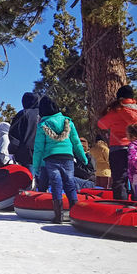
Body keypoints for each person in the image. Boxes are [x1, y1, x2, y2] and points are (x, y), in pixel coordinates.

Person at [31, 96, 89, 224]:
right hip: (67, 157)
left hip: (51, 158)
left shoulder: (43, 126)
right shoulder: (68, 122)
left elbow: (39, 148)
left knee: (56, 184)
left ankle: (58, 216)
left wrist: (36, 166)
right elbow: (76, 142)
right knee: (70, 184)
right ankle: (76, 215)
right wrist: (83, 158)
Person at [97, 85, 137, 200]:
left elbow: (101, 124)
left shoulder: (116, 111)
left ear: (120, 97)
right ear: (132, 98)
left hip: (119, 148)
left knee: (119, 179)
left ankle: (121, 206)